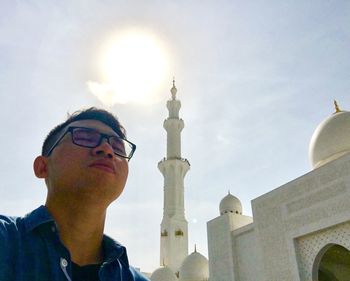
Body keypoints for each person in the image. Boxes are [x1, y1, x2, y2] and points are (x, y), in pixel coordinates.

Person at [0, 108, 149, 281]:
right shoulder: (7, 244)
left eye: (117, 148)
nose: (107, 149)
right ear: (43, 167)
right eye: (85, 137)